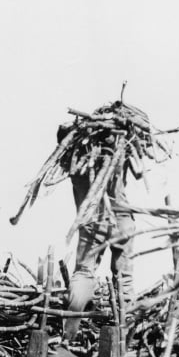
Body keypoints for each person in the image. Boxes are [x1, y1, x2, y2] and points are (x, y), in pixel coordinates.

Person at [61, 124, 136, 342]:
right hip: (122, 222)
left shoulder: (74, 164)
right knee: (124, 281)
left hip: (93, 223)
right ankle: (124, 340)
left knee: (84, 274)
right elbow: (139, 172)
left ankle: (69, 335)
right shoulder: (117, 153)